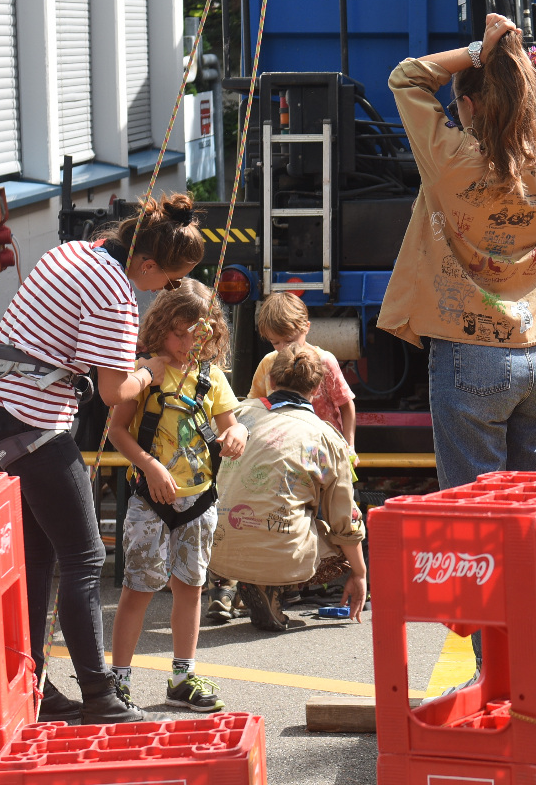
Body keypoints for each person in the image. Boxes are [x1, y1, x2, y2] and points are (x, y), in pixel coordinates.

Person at [0, 192, 205, 724]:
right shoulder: (116, 293)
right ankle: (100, 696)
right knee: (86, 556)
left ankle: (34, 690)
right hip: (31, 425)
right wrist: (148, 372)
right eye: (169, 281)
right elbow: (115, 391)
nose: (162, 291)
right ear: (147, 263)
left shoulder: (74, 251)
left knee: (38, 555)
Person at [379, 14, 536, 489]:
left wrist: (480, 51)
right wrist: (528, 65)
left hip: (469, 352)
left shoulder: (449, 160)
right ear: (529, 100)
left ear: (468, 106)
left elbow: (406, 77)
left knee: (476, 512)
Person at [105, 280, 245, 711]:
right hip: (150, 501)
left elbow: (231, 425)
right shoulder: (146, 373)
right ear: (161, 327)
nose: (187, 344)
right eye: (178, 334)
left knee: (191, 587)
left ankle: (183, 677)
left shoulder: (212, 377)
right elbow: (117, 430)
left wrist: (238, 434)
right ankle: (119, 679)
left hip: (199, 501)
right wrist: (150, 466)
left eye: (197, 335)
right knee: (138, 589)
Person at [211, 346, 369, 632]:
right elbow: (344, 517)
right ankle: (272, 585)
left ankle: (232, 583)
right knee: (341, 538)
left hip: (217, 549)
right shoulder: (326, 436)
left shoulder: (237, 415)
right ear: (317, 389)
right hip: (281, 551)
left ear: (271, 380)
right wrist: (359, 573)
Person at [247, 292, 355, 448]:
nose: (284, 348)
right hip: (286, 448)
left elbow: (346, 405)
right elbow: (254, 405)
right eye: (275, 342)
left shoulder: (324, 361)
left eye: (289, 340)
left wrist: (349, 447)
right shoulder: (268, 363)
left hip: (324, 447)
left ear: (306, 328)